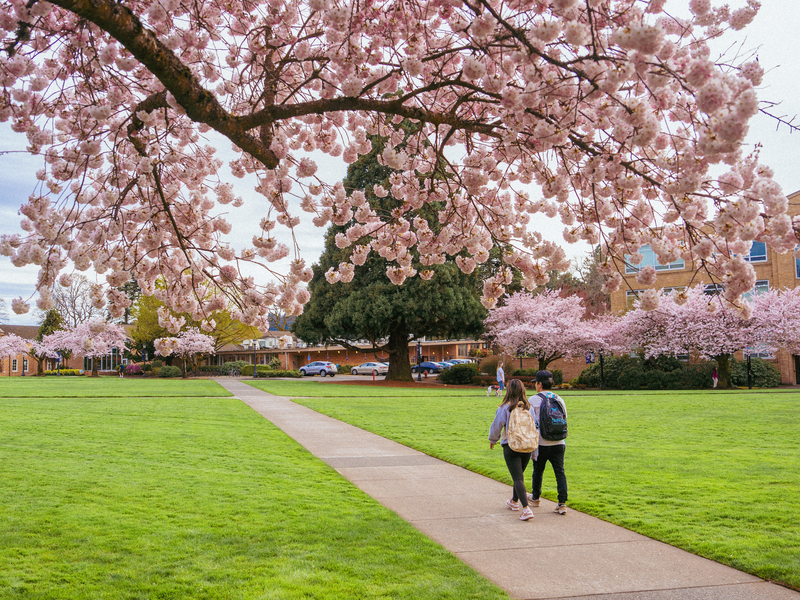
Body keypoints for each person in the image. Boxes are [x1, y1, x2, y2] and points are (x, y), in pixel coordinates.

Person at [488, 378, 535, 521]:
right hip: (527, 445)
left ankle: (526, 509)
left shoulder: (505, 408)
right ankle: (514, 502)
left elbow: (497, 425)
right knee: (519, 475)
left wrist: (493, 440)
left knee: (517, 477)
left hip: (511, 445)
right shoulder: (528, 407)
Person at [528, 370, 568, 515]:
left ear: (539, 384)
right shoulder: (559, 399)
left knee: (538, 471)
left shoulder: (533, 400)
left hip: (541, 442)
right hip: (559, 442)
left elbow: (530, 422)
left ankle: (536, 497)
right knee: (560, 472)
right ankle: (562, 503)